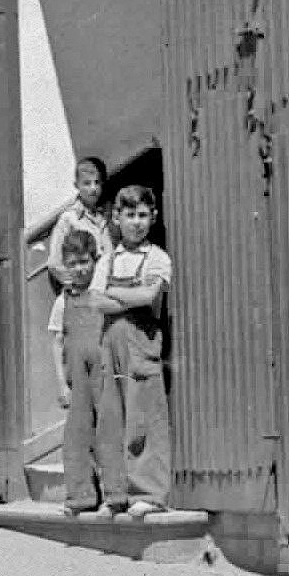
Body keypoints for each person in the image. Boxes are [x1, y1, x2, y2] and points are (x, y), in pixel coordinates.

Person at [82, 185, 172, 519]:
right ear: (117, 219)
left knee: (144, 417)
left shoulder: (157, 258)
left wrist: (114, 295)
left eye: (143, 215)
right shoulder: (109, 259)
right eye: (130, 215)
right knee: (112, 419)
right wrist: (126, 296)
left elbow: (150, 297)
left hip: (142, 346)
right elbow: (95, 302)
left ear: (153, 217)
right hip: (111, 349)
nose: (137, 223)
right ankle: (116, 494)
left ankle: (148, 493)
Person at [49, 229, 128, 518]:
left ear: (94, 261)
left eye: (84, 262)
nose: (80, 269)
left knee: (109, 429)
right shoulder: (62, 301)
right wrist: (61, 384)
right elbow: (56, 343)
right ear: (65, 267)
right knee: (77, 434)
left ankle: (116, 495)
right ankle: (81, 496)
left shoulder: (102, 296)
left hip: (104, 372)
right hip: (77, 377)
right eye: (73, 264)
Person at [45, 156, 112, 292]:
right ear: (77, 185)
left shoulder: (104, 217)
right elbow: (54, 263)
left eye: (97, 183)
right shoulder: (69, 219)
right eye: (87, 183)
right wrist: (76, 286)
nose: (93, 188)